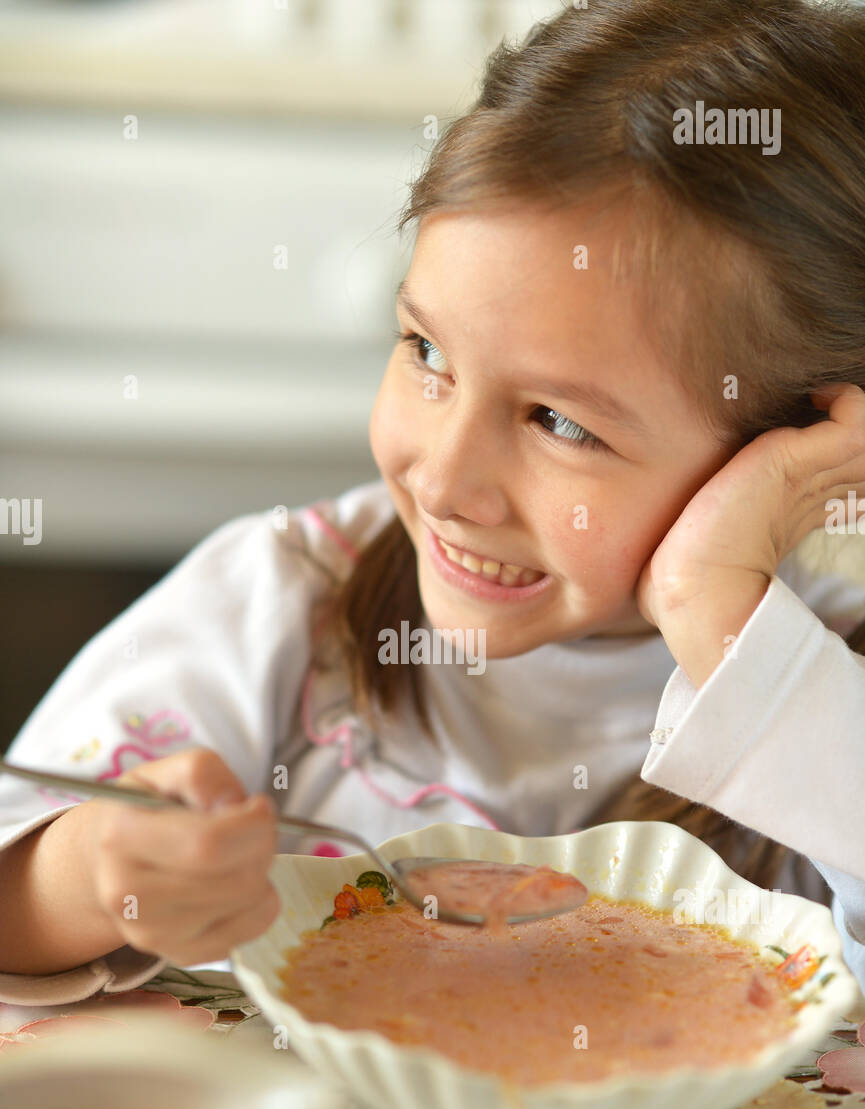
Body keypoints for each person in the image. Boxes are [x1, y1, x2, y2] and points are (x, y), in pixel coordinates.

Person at [2, 0, 865, 1005]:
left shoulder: (823, 700)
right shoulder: (284, 597)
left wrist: (719, 611)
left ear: (801, 446)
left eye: (560, 422)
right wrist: (103, 874)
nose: (445, 481)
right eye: (427, 353)